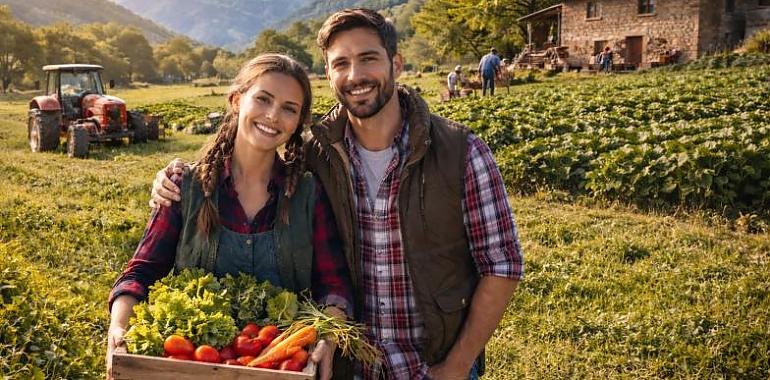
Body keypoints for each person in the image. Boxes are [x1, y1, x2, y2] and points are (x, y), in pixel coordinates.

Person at [151, 8, 523, 380]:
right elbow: (255, 160)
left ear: (396, 63)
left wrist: (456, 367)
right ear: (328, 74)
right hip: (346, 366)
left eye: (368, 59)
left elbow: (502, 266)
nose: (355, 75)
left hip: (434, 364)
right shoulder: (313, 154)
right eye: (341, 63)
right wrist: (178, 175)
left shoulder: (461, 152)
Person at [106, 54, 352, 380]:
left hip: (281, 367)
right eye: (263, 99)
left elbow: (334, 285)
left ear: (298, 122)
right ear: (237, 101)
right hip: (188, 368)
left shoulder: (308, 195)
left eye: (289, 108)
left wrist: (327, 338)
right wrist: (118, 328)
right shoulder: (186, 188)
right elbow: (141, 273)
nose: (273, 116)